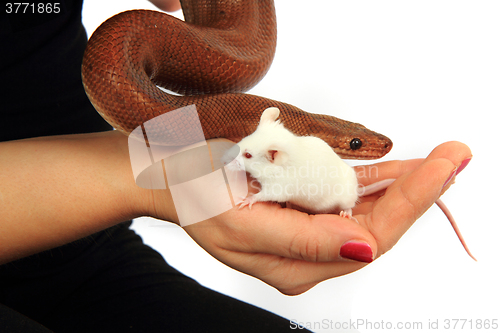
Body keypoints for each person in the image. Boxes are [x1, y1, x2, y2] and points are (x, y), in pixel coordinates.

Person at [0, 0, 472, 332]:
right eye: (353, 145)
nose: (368, 149)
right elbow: (160, 136)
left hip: (82, 246)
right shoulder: (182, 120)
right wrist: (158, 179)